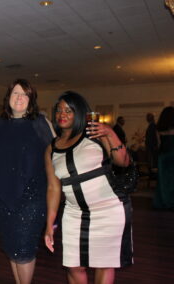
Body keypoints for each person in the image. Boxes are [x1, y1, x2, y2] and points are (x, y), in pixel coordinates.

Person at [44, 91, 133, 284]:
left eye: (68, 110)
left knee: (104, 264)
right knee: (73, 266)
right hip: (74, 214)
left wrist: (109, 132)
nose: (62, 114)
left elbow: (123, 162)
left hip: (108, 211)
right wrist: (50, 224)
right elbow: (53, 188)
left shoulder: (94, 134)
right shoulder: (51, 148)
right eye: (59, 110)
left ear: (80, 112)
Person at [0, 79, 54, 284]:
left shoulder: (41, 123)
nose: (19, 98)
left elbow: (57, 154)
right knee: (11, 248)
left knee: (24, 249)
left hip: (32, 197)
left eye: (24, 94)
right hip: (2, 197)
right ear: (8, 97)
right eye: (15, 93)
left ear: (31, 99)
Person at [153, 106, 174, 209]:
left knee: (162, 180)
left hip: (163, 156)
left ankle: (162, 202)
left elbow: (159, 144)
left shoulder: (159, 128)